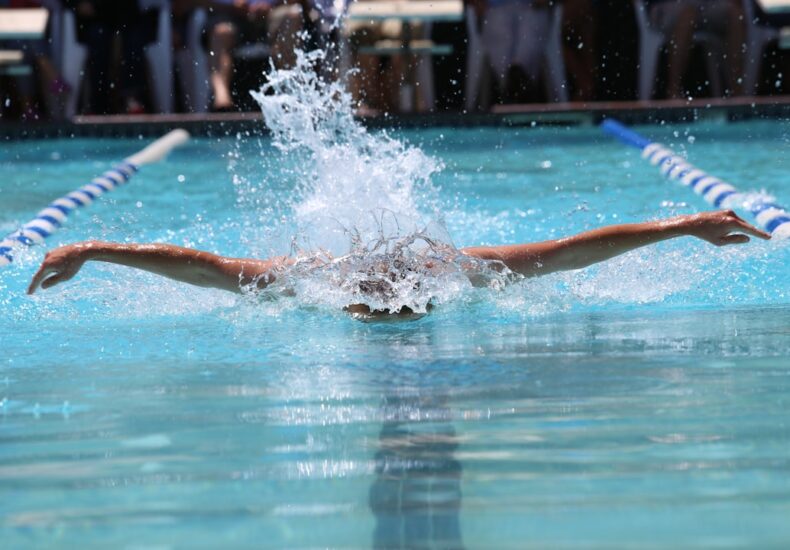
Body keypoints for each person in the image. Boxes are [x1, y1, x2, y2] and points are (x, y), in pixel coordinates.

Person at [27, 210, 770, 318]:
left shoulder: (459, 271)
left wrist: (686, 226)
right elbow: (203, 265)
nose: (391, 302)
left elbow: (576, 252)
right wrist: (90, 247)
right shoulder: (309, 280)